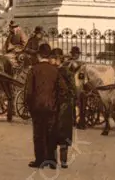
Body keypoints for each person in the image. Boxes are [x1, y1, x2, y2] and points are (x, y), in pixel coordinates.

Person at [23, 42, 68, 170]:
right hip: (51, 108)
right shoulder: (55, 70)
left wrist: (29, 105)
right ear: (48, 56)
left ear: (38, 55)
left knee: (38, 134)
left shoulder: (33, 70)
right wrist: (57, 103)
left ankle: (39, 160)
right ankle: (52, 161)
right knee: (51, 133)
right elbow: (64, 90)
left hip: (37, 108)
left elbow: (28, 91)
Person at [52, 48, 76, 169]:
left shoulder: (62, 72)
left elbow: (72, 91)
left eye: (53, 58)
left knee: (55, 133)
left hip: (59, 106)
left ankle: (57, 161)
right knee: (63, 134)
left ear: (58, 59)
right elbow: (73, 91)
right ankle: (63, 161)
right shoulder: (66, 72)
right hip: (64, 107)